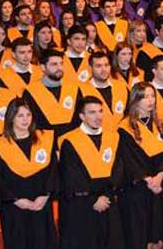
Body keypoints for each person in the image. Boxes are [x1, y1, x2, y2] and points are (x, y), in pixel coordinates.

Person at [0, 97, 59, 249]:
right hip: (14, 210)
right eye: (20, 115)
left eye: (28, 115)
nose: (25, 119)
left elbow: (53, 170)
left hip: (41, 206)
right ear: (11, 118)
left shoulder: (45, 138)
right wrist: (16, 200)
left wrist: (45, 195)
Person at [57, 96, 125, 249]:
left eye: (100, 111)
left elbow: (118, 169)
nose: (98, 117)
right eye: (92, 113)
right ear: (82, 116)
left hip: (108, 202)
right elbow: (72, 176)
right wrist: (93, 200)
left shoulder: (113, 137)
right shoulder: (70, 141)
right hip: (83, 206)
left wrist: (107, 196)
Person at [118, 82, 163, 249]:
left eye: (152, 96)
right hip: (138, 188)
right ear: (135, 100)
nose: (150, 100)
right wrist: (148, 180)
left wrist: (160, 175)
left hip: (160, 184)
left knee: (160, 232)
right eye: (145, 97)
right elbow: (129, 159)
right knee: (143, 233)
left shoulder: (162, 123)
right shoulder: (125, 127)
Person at [22, 49, 81, 138]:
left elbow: (80, 119)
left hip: (72, 142)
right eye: (54, 64)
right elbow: (31, 123)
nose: (59, 68)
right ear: (43, 67)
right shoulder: (31, 92)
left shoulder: (74, 89)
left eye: (61, 63)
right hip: (44, 142)